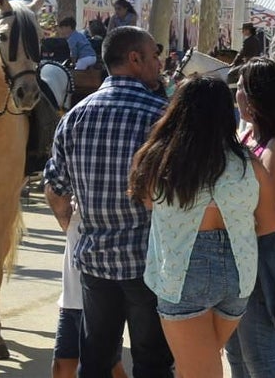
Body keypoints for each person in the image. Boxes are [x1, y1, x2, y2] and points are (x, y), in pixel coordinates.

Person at [43, 26, 174, 378]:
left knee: (95, 362)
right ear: (134, 59)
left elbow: (55, 188)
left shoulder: (75, 116)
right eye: (154, 56)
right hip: (148, 264)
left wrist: (73, 227)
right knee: (153, 364)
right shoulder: (162, 115)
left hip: (94, 264)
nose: (159, 63)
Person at [129, 76, 269, 378]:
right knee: (196, 366)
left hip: (182, 270)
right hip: (239, 271)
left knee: (198, 371)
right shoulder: (249, 163)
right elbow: (270, 222)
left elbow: (148, 202)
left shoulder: (160, 159)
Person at [225, 58, 275, 378]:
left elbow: (273, 214)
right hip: (250, 255)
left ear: (259, 96)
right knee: (238, 355)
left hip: (272, 256)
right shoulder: (249, 136)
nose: (237, 95)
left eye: (241, 88)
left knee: (261, 356)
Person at [52, 207, 127, 378]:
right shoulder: (74, 206)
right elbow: (54, 194)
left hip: (100, 300)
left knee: (111, 367)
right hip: (71, 299)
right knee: (61, 367)